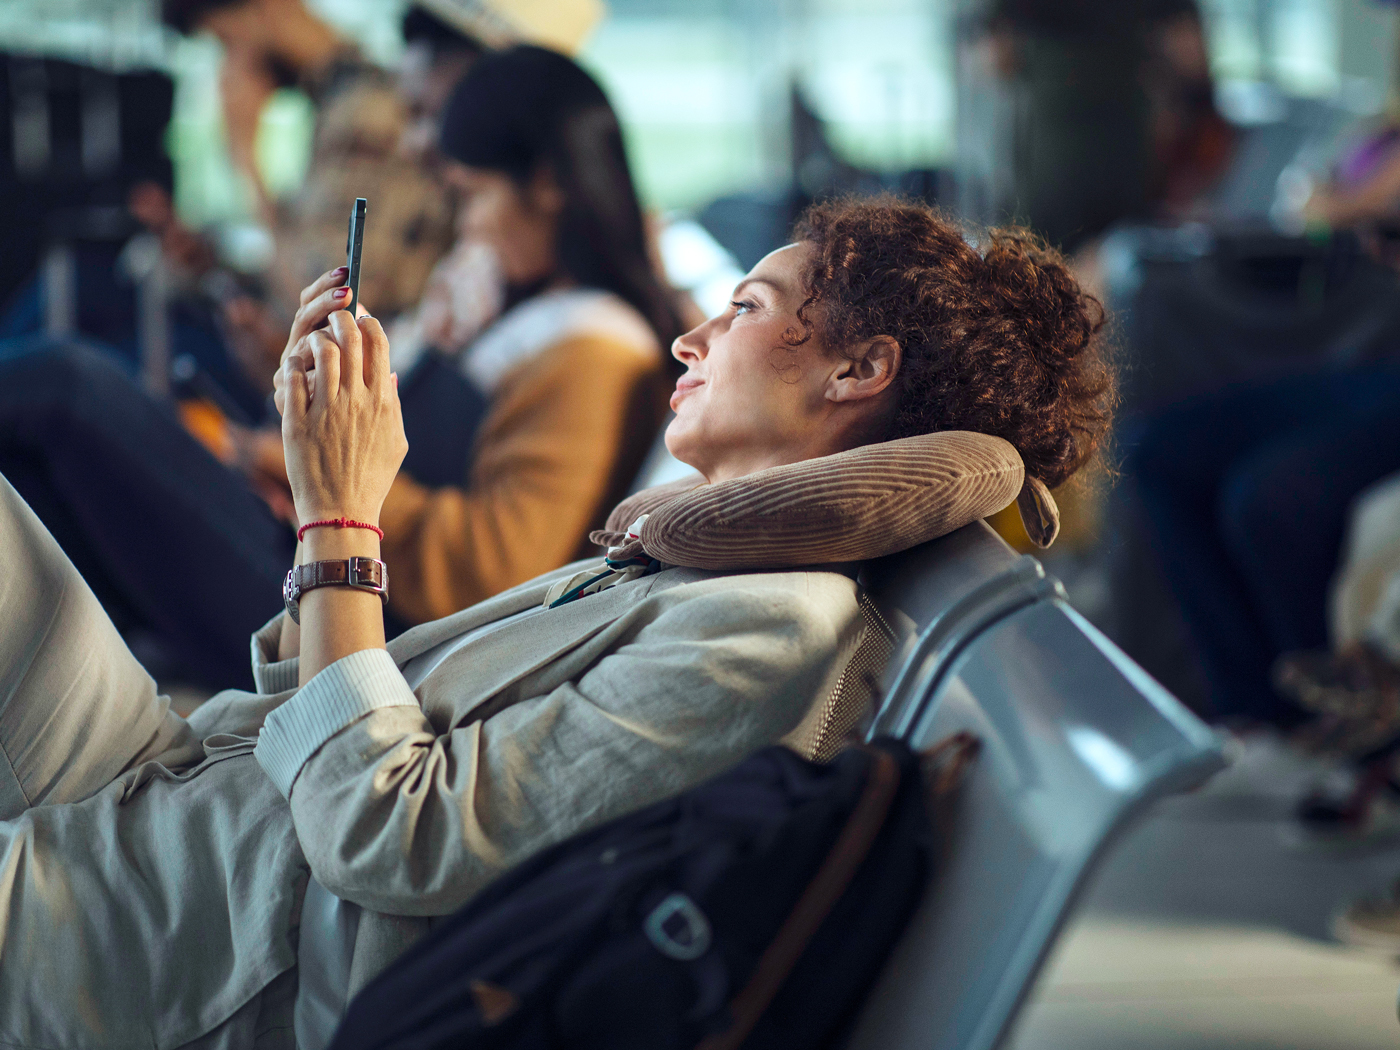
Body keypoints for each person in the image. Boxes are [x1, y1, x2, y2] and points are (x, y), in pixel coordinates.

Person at [0, 196, 1113, 1046]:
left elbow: (389, 836)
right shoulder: (702, 561)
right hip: (180, 788)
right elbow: (322, 711)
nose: (691, 338)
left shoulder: (765, 631)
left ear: (860, 371)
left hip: (182, 925)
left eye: (743, 309)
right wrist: (316, 493)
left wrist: (342, 516)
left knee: (59, 389)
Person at [0, 47, 680, 689]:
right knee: (35, 482)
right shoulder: (525, 312)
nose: (466, 229)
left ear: (549, 184)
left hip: (361, 620)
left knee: (73, 385)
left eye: (471, 198)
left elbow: (492, 570)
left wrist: (315, 474)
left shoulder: (593, 350)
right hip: (324, 559)